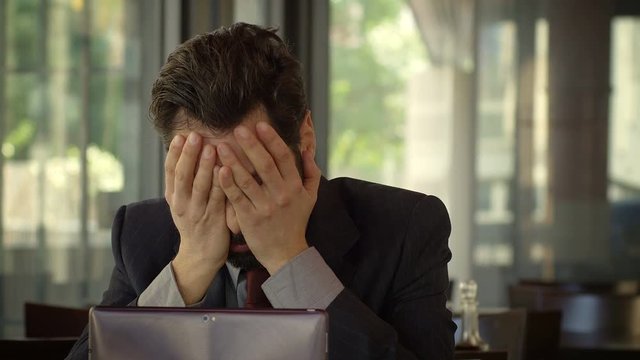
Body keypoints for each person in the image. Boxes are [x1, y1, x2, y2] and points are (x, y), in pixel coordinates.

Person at [66, 22, 455, 359]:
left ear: (304, 138)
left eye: (251, 179)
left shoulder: (406, 229)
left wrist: (291, 262)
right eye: (208, 183)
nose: (234, 215)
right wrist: (189, 268)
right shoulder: (141, 233)